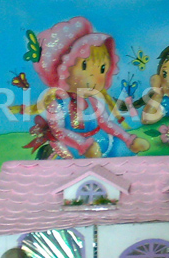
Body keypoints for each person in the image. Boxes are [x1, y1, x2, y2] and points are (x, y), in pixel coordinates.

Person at [30, 16, 149, 159]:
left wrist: (127, 138)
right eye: (85, 66)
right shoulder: (58, 104)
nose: (96, 77)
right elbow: (59, 131)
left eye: (102, 69)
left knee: (122, 151)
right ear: (64, 70)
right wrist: (83, 145)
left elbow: (106, 123)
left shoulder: (94, 101)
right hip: (76, 148)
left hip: (103, 142)